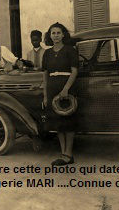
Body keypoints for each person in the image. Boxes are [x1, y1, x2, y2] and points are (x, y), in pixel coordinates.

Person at [42, 22, 79, 166]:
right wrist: (46, 95)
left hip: (67, 88)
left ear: (63, 34)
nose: (55, 36)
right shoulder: (47, 53)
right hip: (52, 87)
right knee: (58, 123)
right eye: (53, 33)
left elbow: (74, 71)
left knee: (68, 122)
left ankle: (68, 154)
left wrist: (65, 89)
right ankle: (63, 153)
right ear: (49, 36)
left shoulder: (70, 50)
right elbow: (45, 75)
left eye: (58, 33)